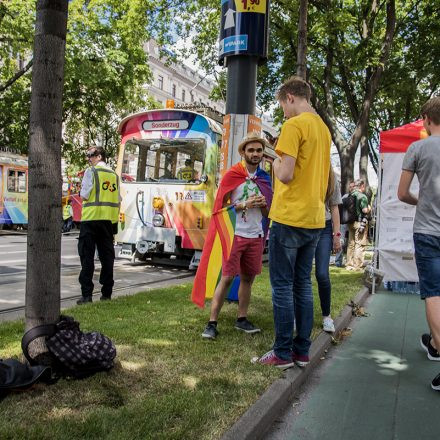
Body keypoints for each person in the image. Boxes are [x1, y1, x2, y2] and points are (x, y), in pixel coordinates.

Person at [258, 76, 331, 368]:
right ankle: (302, 350)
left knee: (282, 286)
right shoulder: (323, 130)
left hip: (288, 217)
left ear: (289, 97)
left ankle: (282, 352)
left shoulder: (293, 125)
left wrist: (271, 156)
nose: (283, 112)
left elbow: (285, 173)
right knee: (302, 284)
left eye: (282, 105)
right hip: (314, 218)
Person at [201, 133, 272, 339]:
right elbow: (220, 208)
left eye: (259, 150)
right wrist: (244, 204)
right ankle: (212, 322)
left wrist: (263, 205)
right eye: (251, 150)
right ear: (243, 152)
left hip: (256, 235)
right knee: (227, 277)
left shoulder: (264, 179)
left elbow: (269, 213)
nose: (255, 154)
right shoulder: (232, 174)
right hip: (235, 234)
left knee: (248, 278)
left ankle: (242, 319)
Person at [397, 96, 440, 391]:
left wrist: (420, 200)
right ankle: (434, 344)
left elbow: (402, 193)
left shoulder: (418, 148)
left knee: (434, 294)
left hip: (427, 231)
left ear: (426, 117)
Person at [77, 146, 120, 305]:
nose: (89, 158)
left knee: (87, 257)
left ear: (99, 156)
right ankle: (106, 294)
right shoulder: (114, 176)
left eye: (91, 155)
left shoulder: (91, 172)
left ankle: (87, 295)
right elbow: (117, 200)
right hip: (108, 222)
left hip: (90, 221)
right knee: (107, 258)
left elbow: (85, 195)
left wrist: (81, 192)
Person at [314, 166, 342, 333]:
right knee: (299, 274)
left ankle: (327, 316)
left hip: (323, 227)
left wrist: (336, 235)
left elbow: (335, 207)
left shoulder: (330, 175)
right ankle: (296, 315)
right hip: (304, 224)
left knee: (322, 273)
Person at [345, 179, 371, 271]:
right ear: (362, 186)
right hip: (360, 223)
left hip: (350, 222)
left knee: (351, 244)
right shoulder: (362, 196)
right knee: (359, 244)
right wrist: (369, 208)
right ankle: (357, 265)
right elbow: (364, 210)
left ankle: (349, 264)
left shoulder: (350, 195)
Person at [334, 181, 355, 267]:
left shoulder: (354, 197)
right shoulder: (345, 197)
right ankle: (338, 262)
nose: (352, 188)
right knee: (342, 241)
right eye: (350, 187)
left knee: (350, 242)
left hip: (351, 223)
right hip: (343, 223)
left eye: (353, 187)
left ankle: (349, 261)